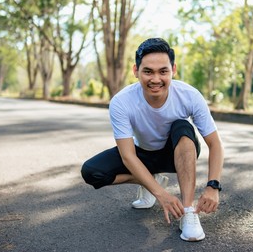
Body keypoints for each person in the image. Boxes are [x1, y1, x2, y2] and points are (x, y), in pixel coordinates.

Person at [81, 38, 224, 241]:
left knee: (182, 126)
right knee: (91, 172)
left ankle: (188, 211)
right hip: (142, 155)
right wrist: (160, 194)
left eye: (163, 71)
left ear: (173, 70)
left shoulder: (189, 95)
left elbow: (215, 143)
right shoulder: (122, 102)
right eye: (148, 71)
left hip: (176, 152)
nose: (155, 79)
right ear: (136, 70)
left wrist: (213, 186)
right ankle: (151, 182)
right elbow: (128, 156)